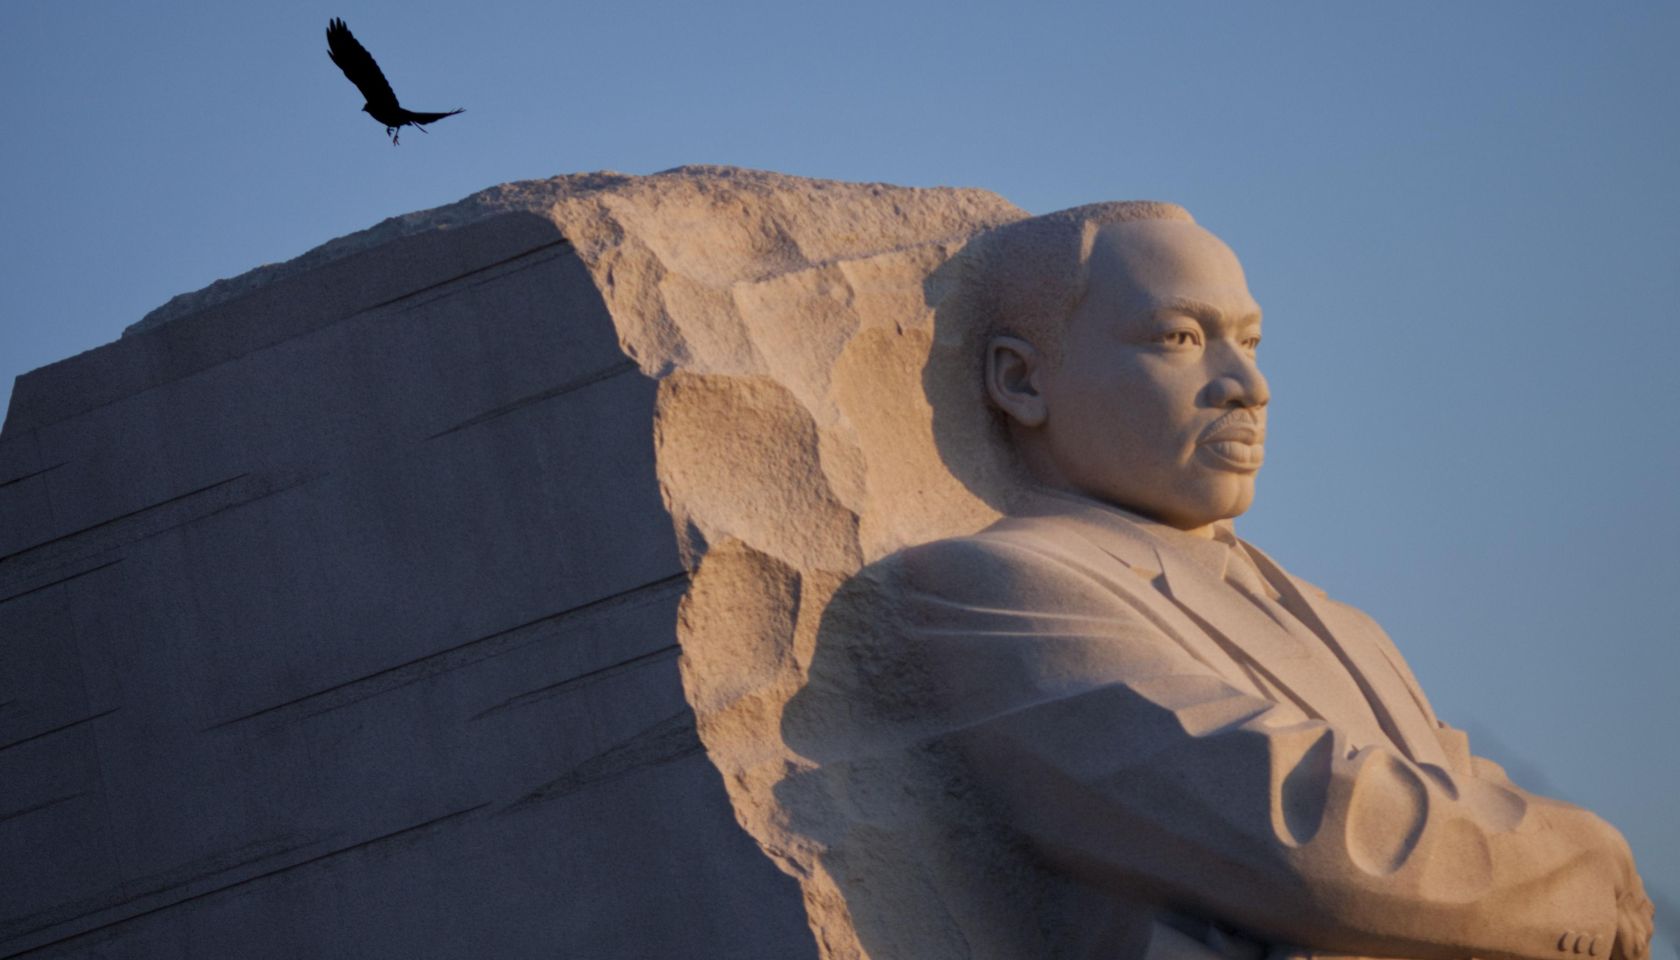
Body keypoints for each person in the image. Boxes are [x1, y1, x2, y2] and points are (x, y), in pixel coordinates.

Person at [897, 203, 1654, 960]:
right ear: (1022, 380)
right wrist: (1588, 867)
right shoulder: (994, 585)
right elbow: (1303, 830)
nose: (1248, 386)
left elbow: (1464, 789)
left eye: (1251, 342)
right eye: (1180, 338)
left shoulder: (1345, 627)